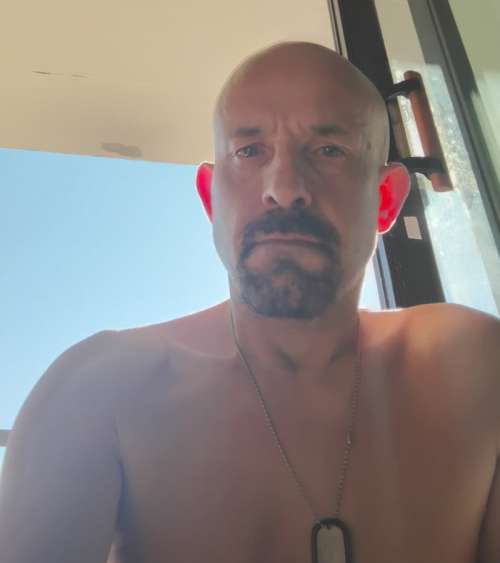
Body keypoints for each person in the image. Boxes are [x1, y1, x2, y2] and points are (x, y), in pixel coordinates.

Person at [0, 41, 498, 563]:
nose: (284, 188)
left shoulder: (473, 370)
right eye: (249, 151)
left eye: (329, 150)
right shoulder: (98, 394)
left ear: (386, 198)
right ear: (210, 199)